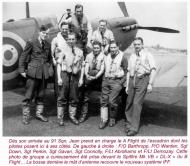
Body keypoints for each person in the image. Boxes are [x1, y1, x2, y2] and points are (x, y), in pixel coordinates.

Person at [19, 25, 53, 125]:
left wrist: (49, 68)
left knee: (41, 95)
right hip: (33, 73)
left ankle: (39, 114)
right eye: (43, 33)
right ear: (39, 32)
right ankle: (26, 116)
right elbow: (23, 56)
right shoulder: (31, 42)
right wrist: (21, 70)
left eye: (47, 34)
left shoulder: (48, 44)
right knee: (28, 96)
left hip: (44, 74)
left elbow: (49, 59)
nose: (45, 35)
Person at [125, 37, 156, 136]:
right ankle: (129, 123)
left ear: (142, 45)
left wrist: (150, 84)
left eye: (138, 44)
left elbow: (153, 70)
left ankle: (134, 128)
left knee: (136, 103)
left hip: (143, 79)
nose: (137, 46)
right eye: (135, 45)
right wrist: (127, 85)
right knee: (129, 102)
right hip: (132, 79)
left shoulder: (148, 55)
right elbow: (129, 70)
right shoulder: (132, 55)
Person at [56, 32, 84, 126]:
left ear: (75, 40)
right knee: (62, 96)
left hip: (75, 75)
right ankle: (60, 118)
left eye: (73, 39)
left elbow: (82, 66)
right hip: (65, 74)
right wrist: (59, 77)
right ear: (67, 40)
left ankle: (72, 116)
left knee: (74, 96)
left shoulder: (79, 51)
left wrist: (81, 79)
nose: (71, 41)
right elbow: (59, 65)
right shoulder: (62, 50)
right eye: (69, 39)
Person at [99, 41, 128, 129]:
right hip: (106, 80)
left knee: (112, 101)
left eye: (114, 47)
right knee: (104, 100)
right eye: (111, 47)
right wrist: (104, 79)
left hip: (116, 81)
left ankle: (112, 118)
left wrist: (120, 82)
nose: (113, 49)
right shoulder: (107, 55)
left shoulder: (123, 57)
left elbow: (126, 71)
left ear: (118, 47)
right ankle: (103, 120)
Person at [79, 41, 105, 123]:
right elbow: (86, 66)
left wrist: (96, 76)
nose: (96, 49)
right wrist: (86, 74)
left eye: (97, 48)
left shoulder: (103, 56)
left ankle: (103, 117)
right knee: (85, 96)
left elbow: (102, 69)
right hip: (90, 76)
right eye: (94, 48)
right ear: (92, 48)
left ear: (100, 48)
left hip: (99, 78)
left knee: (103, 97)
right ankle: (83, 114)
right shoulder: (89, 56)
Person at [51, 22, 69, 98]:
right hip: (59, 64)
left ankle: (66, 99)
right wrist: (54, 61)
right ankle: (59, 100)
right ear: (60, 29)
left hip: (68, 64)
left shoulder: (70, 38)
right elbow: (52, 53)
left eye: (66, 29)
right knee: (59, 82)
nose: (64, 30)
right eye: (63, 29)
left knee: (67, 83)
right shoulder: (56, 39)